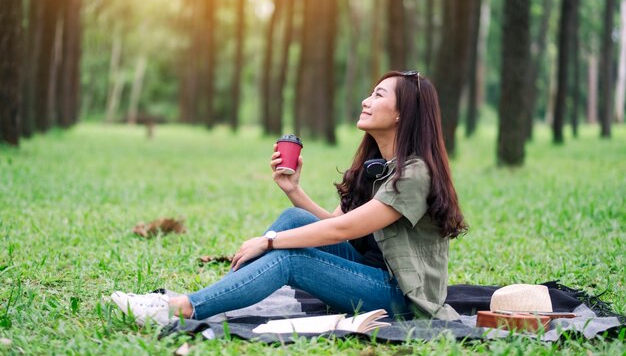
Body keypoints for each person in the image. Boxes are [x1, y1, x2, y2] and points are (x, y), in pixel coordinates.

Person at [111, 70, 468, 326]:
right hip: (367, 273)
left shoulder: (415, 173)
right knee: (293, 220)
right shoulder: (375, 165)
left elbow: (342, 230)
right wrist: (294, 191)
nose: (366, 99)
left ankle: (181, 308)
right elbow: (331, 224)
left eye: (378, 95)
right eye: (370, 92)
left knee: (289, 258)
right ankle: (208, 297)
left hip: (400, 297)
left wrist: (269, 242)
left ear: (403, 112)